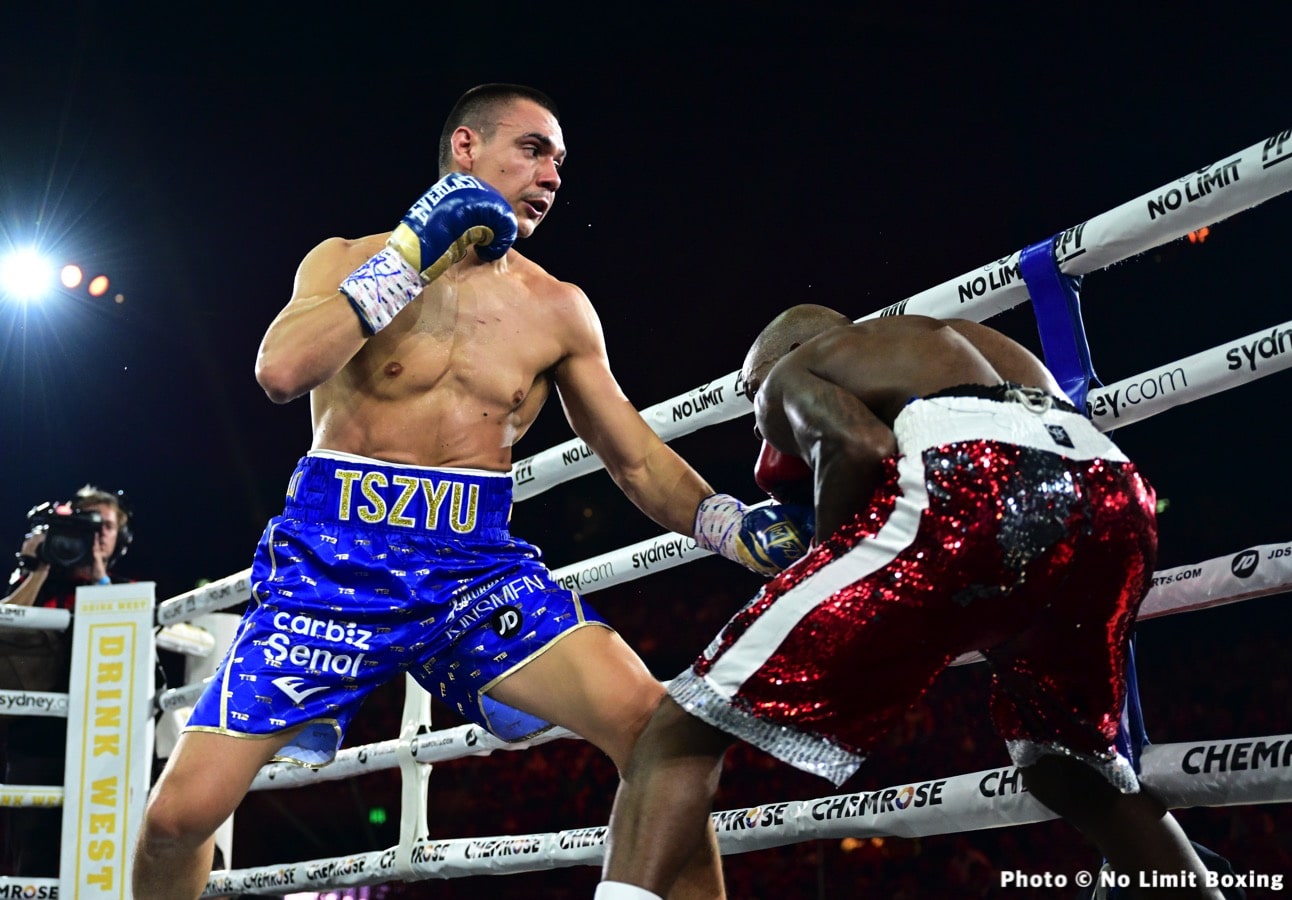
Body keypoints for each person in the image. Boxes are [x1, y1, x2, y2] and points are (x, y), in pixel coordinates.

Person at [132, 83, 809, 900]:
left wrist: (727, 522)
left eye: (561, 162)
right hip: (329, 569)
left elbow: (632, 459)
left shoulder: (558, 308)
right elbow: (280, 372)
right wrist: (412, 256)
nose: (553, 175)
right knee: (179, 818)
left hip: (472, 569)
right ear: (466, 149)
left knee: (663, 732)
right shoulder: (347, 259)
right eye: (533, 150)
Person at [598, 306, 1226, 899]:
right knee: (1073, 769)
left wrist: (824, 562)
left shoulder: (787, 375)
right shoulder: (968, 345)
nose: (755, 416)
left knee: (675, 731)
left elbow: (856, 445)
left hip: (975, 484)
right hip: (1114, 499)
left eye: (748, 393)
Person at [0, 485, 132, 876]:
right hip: (35, 738)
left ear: (119, 538)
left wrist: (97, 577)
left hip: (103, 740)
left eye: (104, 525)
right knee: (32, 857)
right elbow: (4, 625)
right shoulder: (39, 588)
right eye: (85, 524)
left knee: (103, 857)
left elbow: (122, 637)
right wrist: (37, 566)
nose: (96, 534)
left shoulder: (124, 594)